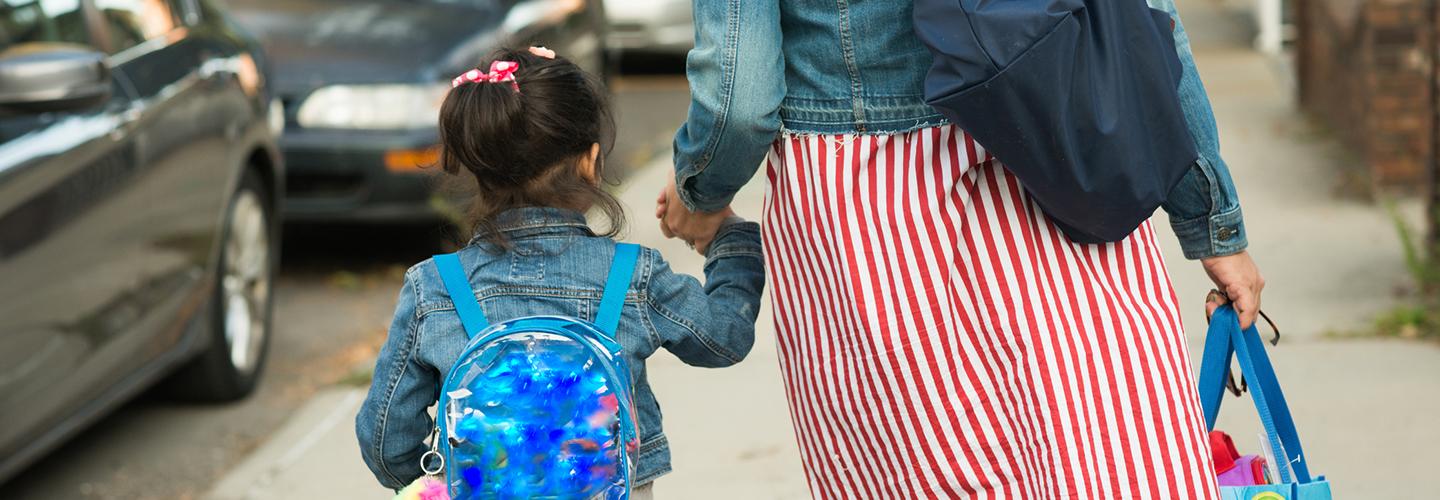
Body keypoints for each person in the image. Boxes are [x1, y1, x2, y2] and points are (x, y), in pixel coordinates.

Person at [654, 1, 1264, 498]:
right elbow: (1146, 24)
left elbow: (740, 101)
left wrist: (700, 190)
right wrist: (1214, 228)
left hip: (870, 214)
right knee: (1107, 458)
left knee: (923, 474)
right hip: (1055, 157)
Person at [355, 47, 766, 498]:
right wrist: (731, 238)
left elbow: (385, 440)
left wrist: (447, 481)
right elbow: (724, 338)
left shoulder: (435, 288)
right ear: (590, 163)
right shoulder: (630, 276)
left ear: (480, 171)